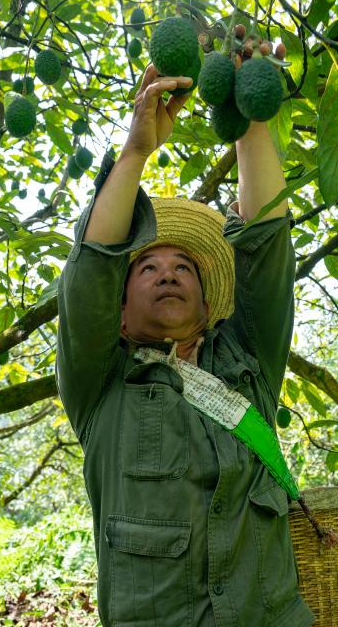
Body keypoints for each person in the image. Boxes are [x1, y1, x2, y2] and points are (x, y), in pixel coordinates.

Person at [56, 63, 313, 626]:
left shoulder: (248, 363)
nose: (167, 274)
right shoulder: (100, 386)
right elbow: (89, 274)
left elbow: (267, 245)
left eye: (183, 267)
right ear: (118, 313)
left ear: (207, 300)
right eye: (146, 266)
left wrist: (248, 118)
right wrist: (134, 154)